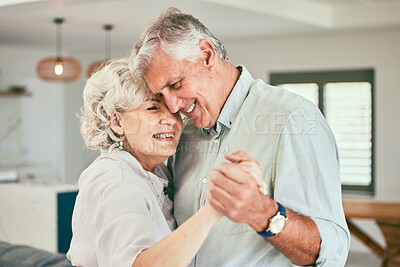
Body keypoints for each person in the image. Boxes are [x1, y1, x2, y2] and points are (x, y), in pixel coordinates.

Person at [130, 7, 350, 266]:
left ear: (207, 55)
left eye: (176, 84)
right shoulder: (185, 134)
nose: (173, 106)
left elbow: (334, 250)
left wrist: (262, 213)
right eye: (161, 95)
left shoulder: (292, 119)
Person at [67, 57, 223, 267]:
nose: (170, 119)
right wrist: (215, 208)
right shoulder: (116, 181)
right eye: (152, 108)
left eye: (173, 110)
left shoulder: (156, 170)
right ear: (116, 122)